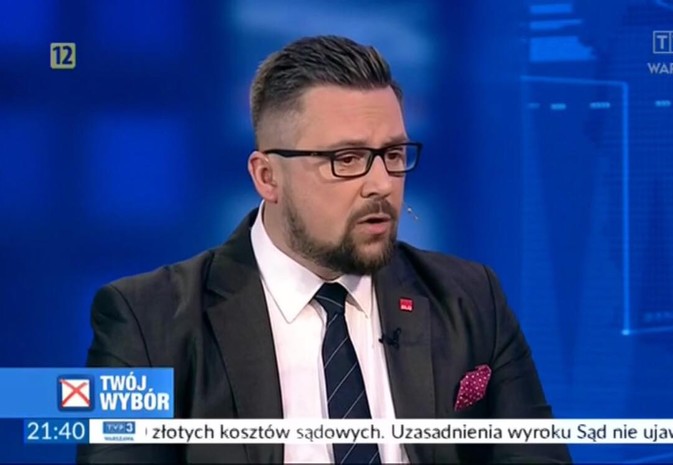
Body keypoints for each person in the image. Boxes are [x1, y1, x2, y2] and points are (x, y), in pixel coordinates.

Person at [77, 35, 571, 464]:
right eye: (347, 159)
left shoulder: (470, 299)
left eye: (393, 154)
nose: (381, 184)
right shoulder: (148, 321)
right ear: (267, 177)